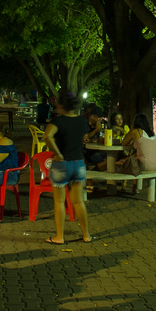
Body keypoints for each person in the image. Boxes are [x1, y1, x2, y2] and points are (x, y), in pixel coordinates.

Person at [43, 92, 91, 245]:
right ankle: (86, 235)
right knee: (78, 202)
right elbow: (85, 137)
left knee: (59, 201)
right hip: (79, 163)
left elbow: (47, 136)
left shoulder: (58, 121)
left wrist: (57, 153)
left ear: (61, 105)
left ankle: (59, 236)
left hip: (62, 164)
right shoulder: (82, 121)